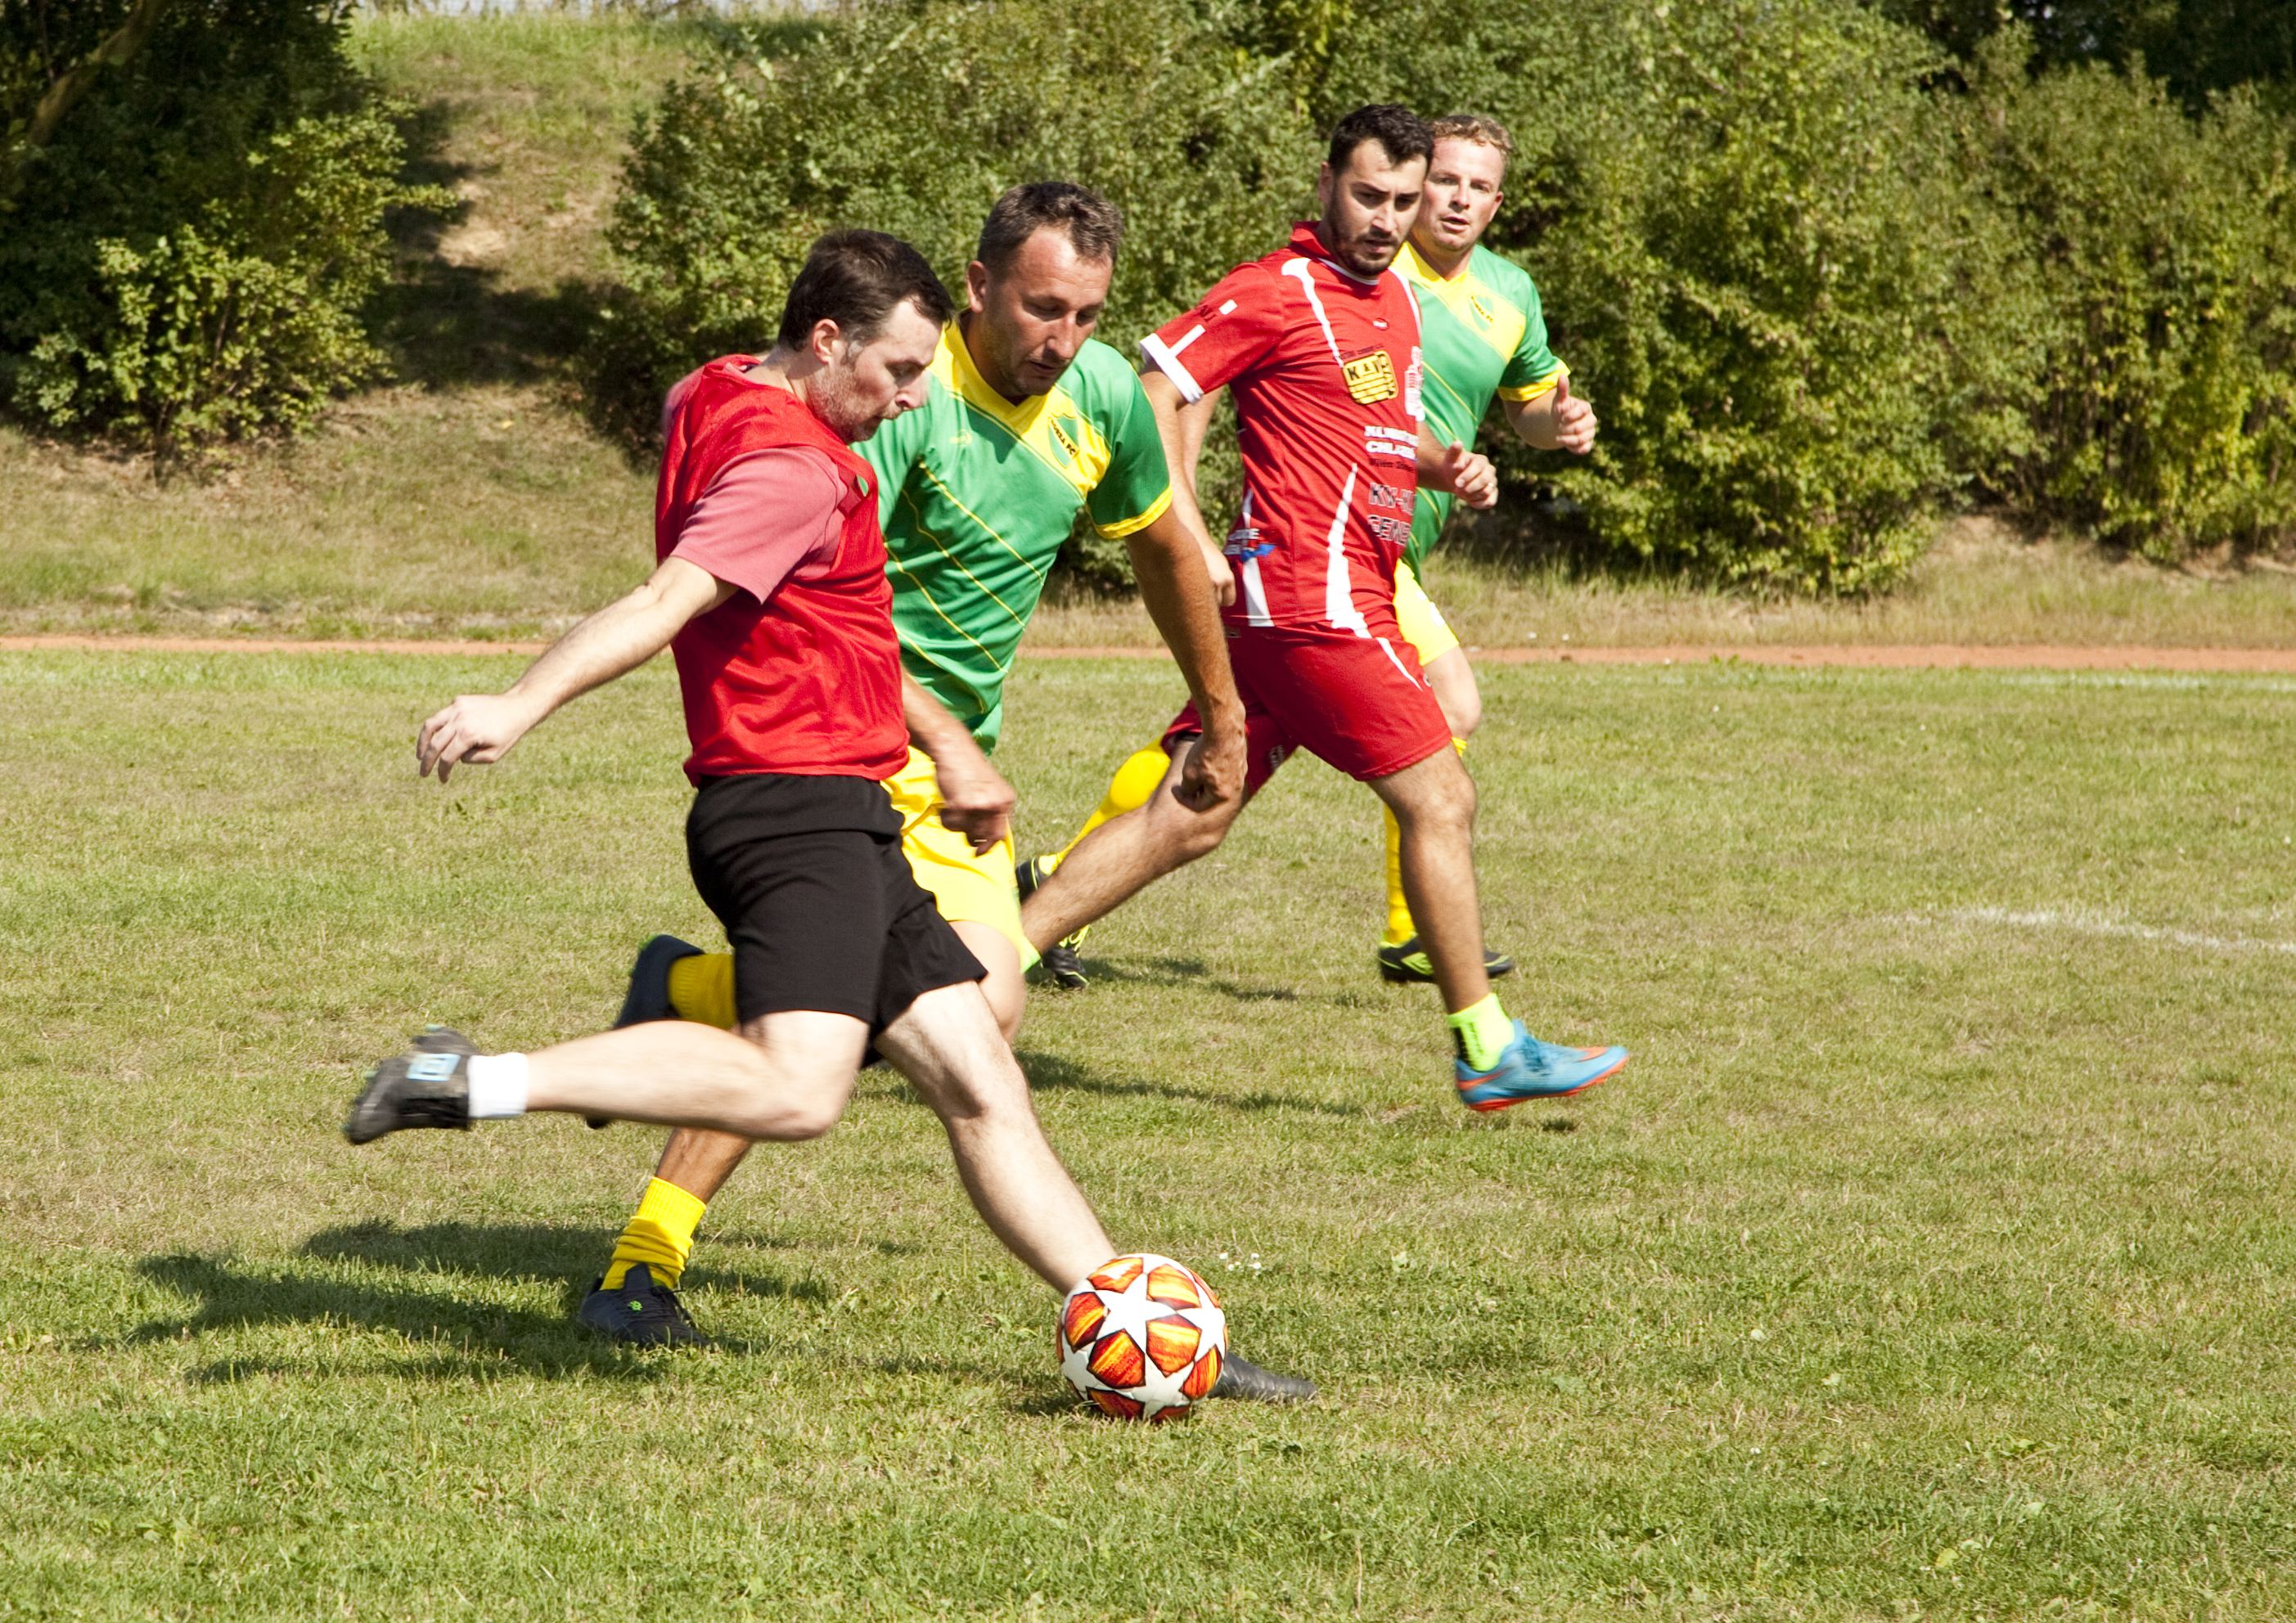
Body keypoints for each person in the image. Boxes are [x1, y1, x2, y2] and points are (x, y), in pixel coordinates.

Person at [342, 229, 1283, 1397]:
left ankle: (1148, 1327)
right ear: (827, 341)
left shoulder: (717, 386)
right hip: (791, 810)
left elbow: (723, 425)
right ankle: (468, 1083)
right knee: (799, 1087)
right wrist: (519, 702)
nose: (905, 403)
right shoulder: (796, 472)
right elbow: (664, 600)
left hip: (848, 807)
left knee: (980, 1074)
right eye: (893, 374)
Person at [1002, 106, 1630, 1111]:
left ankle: (975, 969)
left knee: (1192, 812)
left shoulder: (1380, 303)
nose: (1386, 219)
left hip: (1337, 596)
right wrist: (1186, 529)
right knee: (1440, 797)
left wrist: (1443, 462)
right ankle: (1486, 1044)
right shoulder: (1278, 287)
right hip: (1309, 598)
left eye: (1404, 201)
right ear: (1328, 183)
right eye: (1368, 196)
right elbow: (1157, 381)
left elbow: (1366, 424)